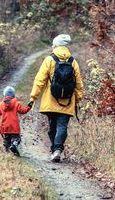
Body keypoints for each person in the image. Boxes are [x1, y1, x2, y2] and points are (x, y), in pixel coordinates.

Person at [28, 34, 83, 162]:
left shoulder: (49, 59)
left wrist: (33, 97)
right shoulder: (73, 61)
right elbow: (79, 83)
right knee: (62, 125)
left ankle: (55, 150)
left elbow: (40, 80)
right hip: (68, 101)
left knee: (52, 126)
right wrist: (78, 99)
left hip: (51, 100)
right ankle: (57, 149)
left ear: (56, 45)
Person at [0, 86, 32, 156]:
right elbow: (23, 111)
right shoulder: (16, 103)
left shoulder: (1, 104)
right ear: (13, 95)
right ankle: (14, 144)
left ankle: (7, 151)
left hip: (5, 126)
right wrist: (29, 106)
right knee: (16, 138)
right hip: (14, 126)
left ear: (4, 94)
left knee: (7, 139)